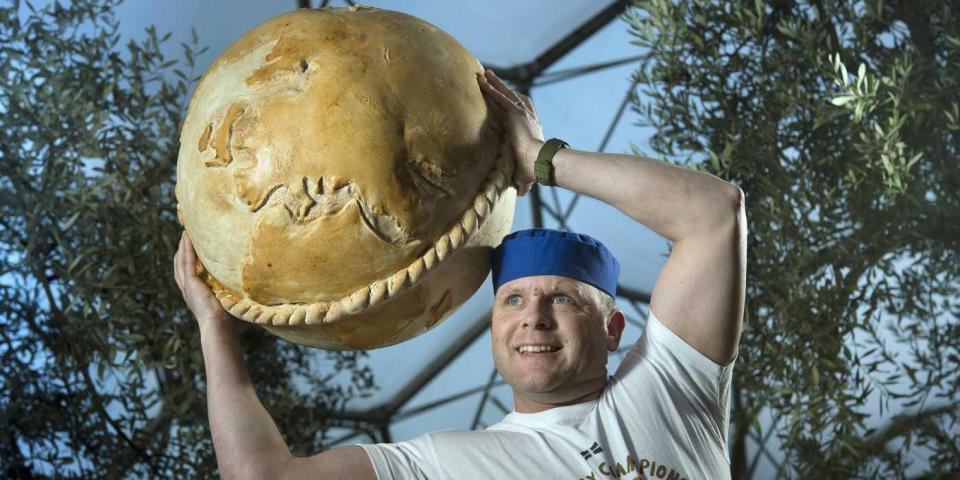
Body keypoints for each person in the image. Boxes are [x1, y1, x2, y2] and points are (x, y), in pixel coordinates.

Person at [173, 68, 747, 479]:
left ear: (614, 328)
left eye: (564, 301)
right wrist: (212, 326)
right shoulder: (444, 464)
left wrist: (541, 159)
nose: (534, 321)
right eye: (513, 301)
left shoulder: (673, 393)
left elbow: (714, 214)